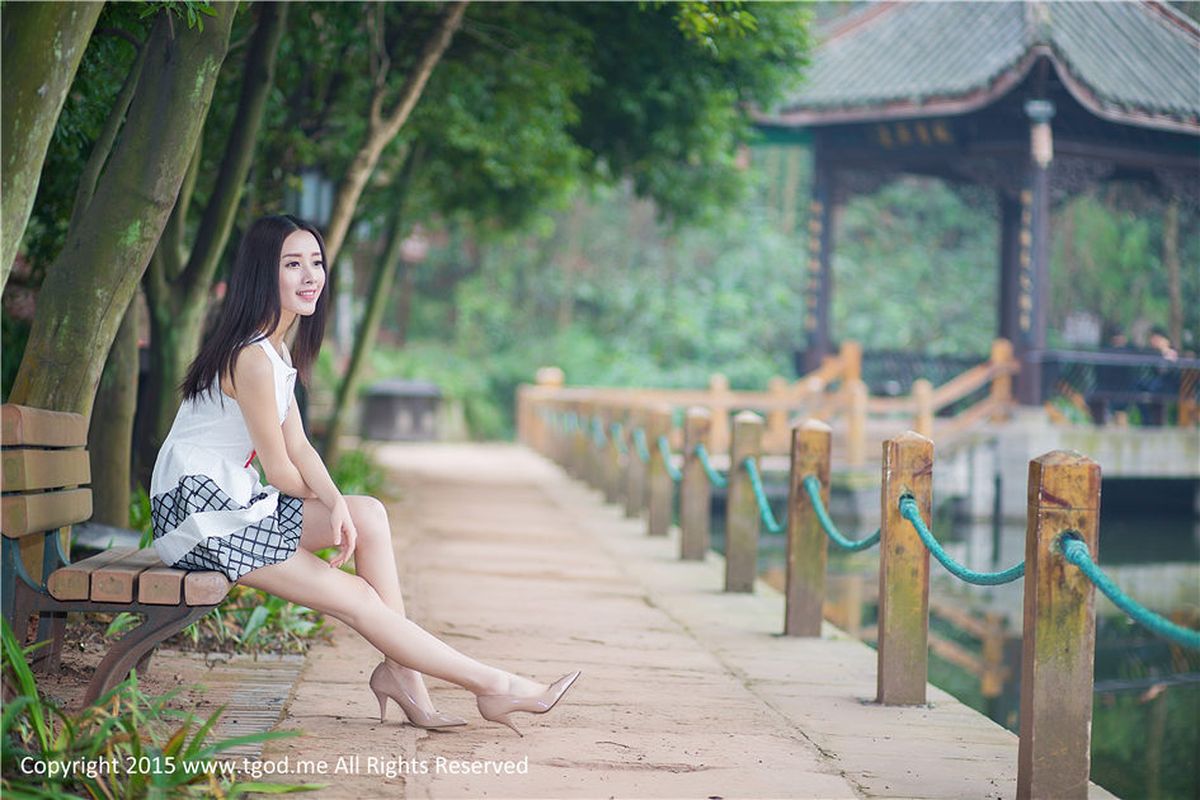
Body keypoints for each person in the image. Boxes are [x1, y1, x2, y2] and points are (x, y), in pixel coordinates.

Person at [150, 214, 579, 735]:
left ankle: (404, 679)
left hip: (229, 504)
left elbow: (301, 446)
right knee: (356, 597)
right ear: (264, 273)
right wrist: (332, 507)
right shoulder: (251, 358)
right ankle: (495, 687)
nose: (311, 276)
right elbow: (282, 469)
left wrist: (339, 504)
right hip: (201, 518)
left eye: (316, 262)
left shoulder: (273, 349)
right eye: (293, 264)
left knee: (369, 514)